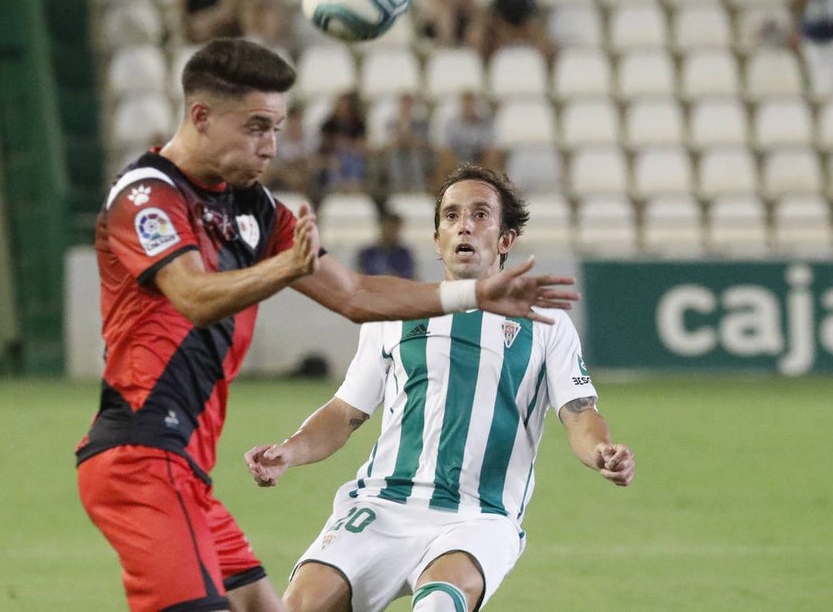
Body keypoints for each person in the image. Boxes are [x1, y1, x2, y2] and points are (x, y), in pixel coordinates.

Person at [75, 39, 579, 612]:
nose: (271, 146)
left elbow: (356, 294)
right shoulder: (147, 194)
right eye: (257, 127)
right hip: (141, 459)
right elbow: (192, 295)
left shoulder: (253, 208)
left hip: (186, 469)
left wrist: (474, 292)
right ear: (201, 117)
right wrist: (283, 268)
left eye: (278, 128)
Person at [245, 164, 635, 612]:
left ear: (506, 240)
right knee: (299, 606)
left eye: (479, 214)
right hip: (383, 504)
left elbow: (579, 412)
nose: (463, 224)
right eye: (450, 216)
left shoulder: (547, 324)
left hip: (478, 516)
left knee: (438, 606)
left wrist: (602, 450)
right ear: (437, 240)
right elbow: (344, 412)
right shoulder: (393, 314)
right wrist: (290, 451)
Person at [383, 93, 434, 194]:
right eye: (403, 104)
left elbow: (424, 143)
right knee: (395, 154)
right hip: (398, 151)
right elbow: (388, 144)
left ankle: (417, 188)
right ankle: (398, 187)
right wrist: (399, 139)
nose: (405, 107)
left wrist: (410, 138)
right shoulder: (392, 122)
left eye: (408, 104)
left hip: (415, 151)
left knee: (414, 155)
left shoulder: (420, 122)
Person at [356, 210, 416, 279]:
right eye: (390, 228)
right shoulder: (368, 253)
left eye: (395, 229)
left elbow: (412, 277)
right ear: (382, 228)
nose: (392, 233)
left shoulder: (404, 255)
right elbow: (360, 277)